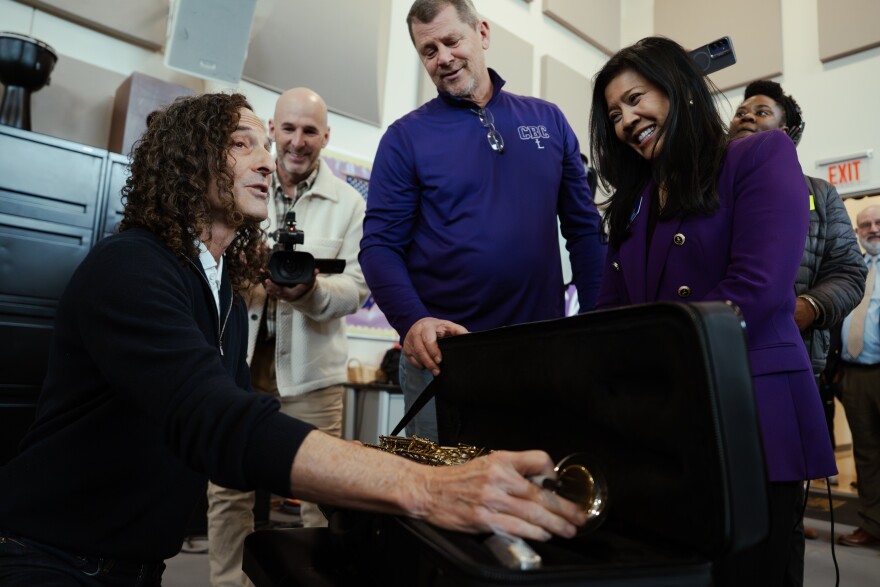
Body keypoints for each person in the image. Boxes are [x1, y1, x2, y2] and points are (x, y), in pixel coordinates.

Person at [0, 92, 587, 586]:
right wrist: (427, 485)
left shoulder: (219, 285)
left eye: (266, 142)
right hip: (50, 558)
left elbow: (243, 421)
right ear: (186, 161)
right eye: (243, 143)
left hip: (129, 564)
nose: (267, 159)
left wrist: (388, 461)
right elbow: (220, 422)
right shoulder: (131, 267)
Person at [589, 37, 836, 586]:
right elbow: (610, 309)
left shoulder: (758, 155)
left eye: (635, 99)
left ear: (678, 88)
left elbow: (760, 288)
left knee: (753, 572)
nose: (626, 119)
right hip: (664, 418)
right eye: (614, 114)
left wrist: (655, 358)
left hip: (751, 407)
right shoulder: (632, 201)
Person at [360, 0, 605, 441]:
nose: (443, 58)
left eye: (452, 40)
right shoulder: (404, 138)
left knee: (537, 490)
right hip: (446, 358)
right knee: (442, 502)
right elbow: (379, 248)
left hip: (540, 351)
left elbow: (585, 233)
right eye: (428, 51)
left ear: (483, 34)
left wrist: (598, 320)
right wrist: (413, 321)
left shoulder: (547, 120)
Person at [205, 88, 370, 586]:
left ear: (326, 136)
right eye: (289, 129)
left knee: (321, 493)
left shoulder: (350, 203)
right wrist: (243, 268)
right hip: (235, 367)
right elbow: (208, 255)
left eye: (310, 131)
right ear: (272, 129)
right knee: (228, 490)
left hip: (312, 378)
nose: (298, 142)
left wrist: (309, 290)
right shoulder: (236, 183)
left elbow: (359, 288)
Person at [729, 81, 867, 552]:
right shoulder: (708, 186)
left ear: (788, 132)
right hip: (720, 362)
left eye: (762, 111)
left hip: (792, 362)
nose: (746, 116)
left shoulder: (820, 195)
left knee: (780, 507)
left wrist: (806, 309)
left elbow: (850, 271)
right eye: (741, 111)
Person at [834, 204, 880, 548]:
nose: (873, 229)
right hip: (854, 375)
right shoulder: (854, 268)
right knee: (866, 454)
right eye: (865, 225)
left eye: (878, 223)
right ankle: (872, 524)